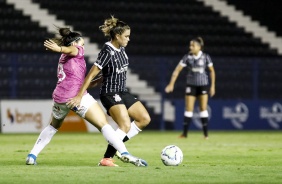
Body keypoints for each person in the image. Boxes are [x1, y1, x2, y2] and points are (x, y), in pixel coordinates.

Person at [25, 27, 146, 167]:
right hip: (77, 97)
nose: (83, 47)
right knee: (104, 125)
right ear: (75, 43)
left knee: (53, 127)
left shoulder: (64, 58)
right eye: (82, 44)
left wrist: (98, 81)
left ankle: (32, 156)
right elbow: (71, 49)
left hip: (60, 97)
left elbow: (77, 78)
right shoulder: (75, 50)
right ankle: (124, 153)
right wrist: (59, 48)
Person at [68, 16, 150, 167]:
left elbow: (107, 73)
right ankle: (107, 158)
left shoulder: (122, 49)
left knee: (144, 118)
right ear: (117, 36)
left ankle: (117, 145)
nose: (128, 39)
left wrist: (101, 78)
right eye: (126, 36)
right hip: (110, 93)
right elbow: (91, 74)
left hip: (122, 91)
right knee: (124, 125)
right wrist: (79, 95)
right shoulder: (107, 51)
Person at [165, 37, 216, 139]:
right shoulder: (187, 57)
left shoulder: (206, 57)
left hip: (203, 85)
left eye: (193, 45)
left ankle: (206, 135)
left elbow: (212, 71)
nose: (190, 47)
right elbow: (177, 70)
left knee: (203, 108)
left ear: (199, 47)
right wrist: (171, 84)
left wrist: (213, 86)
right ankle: (184, 134)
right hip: (191, 85)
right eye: (190, 45)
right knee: (189, 109)